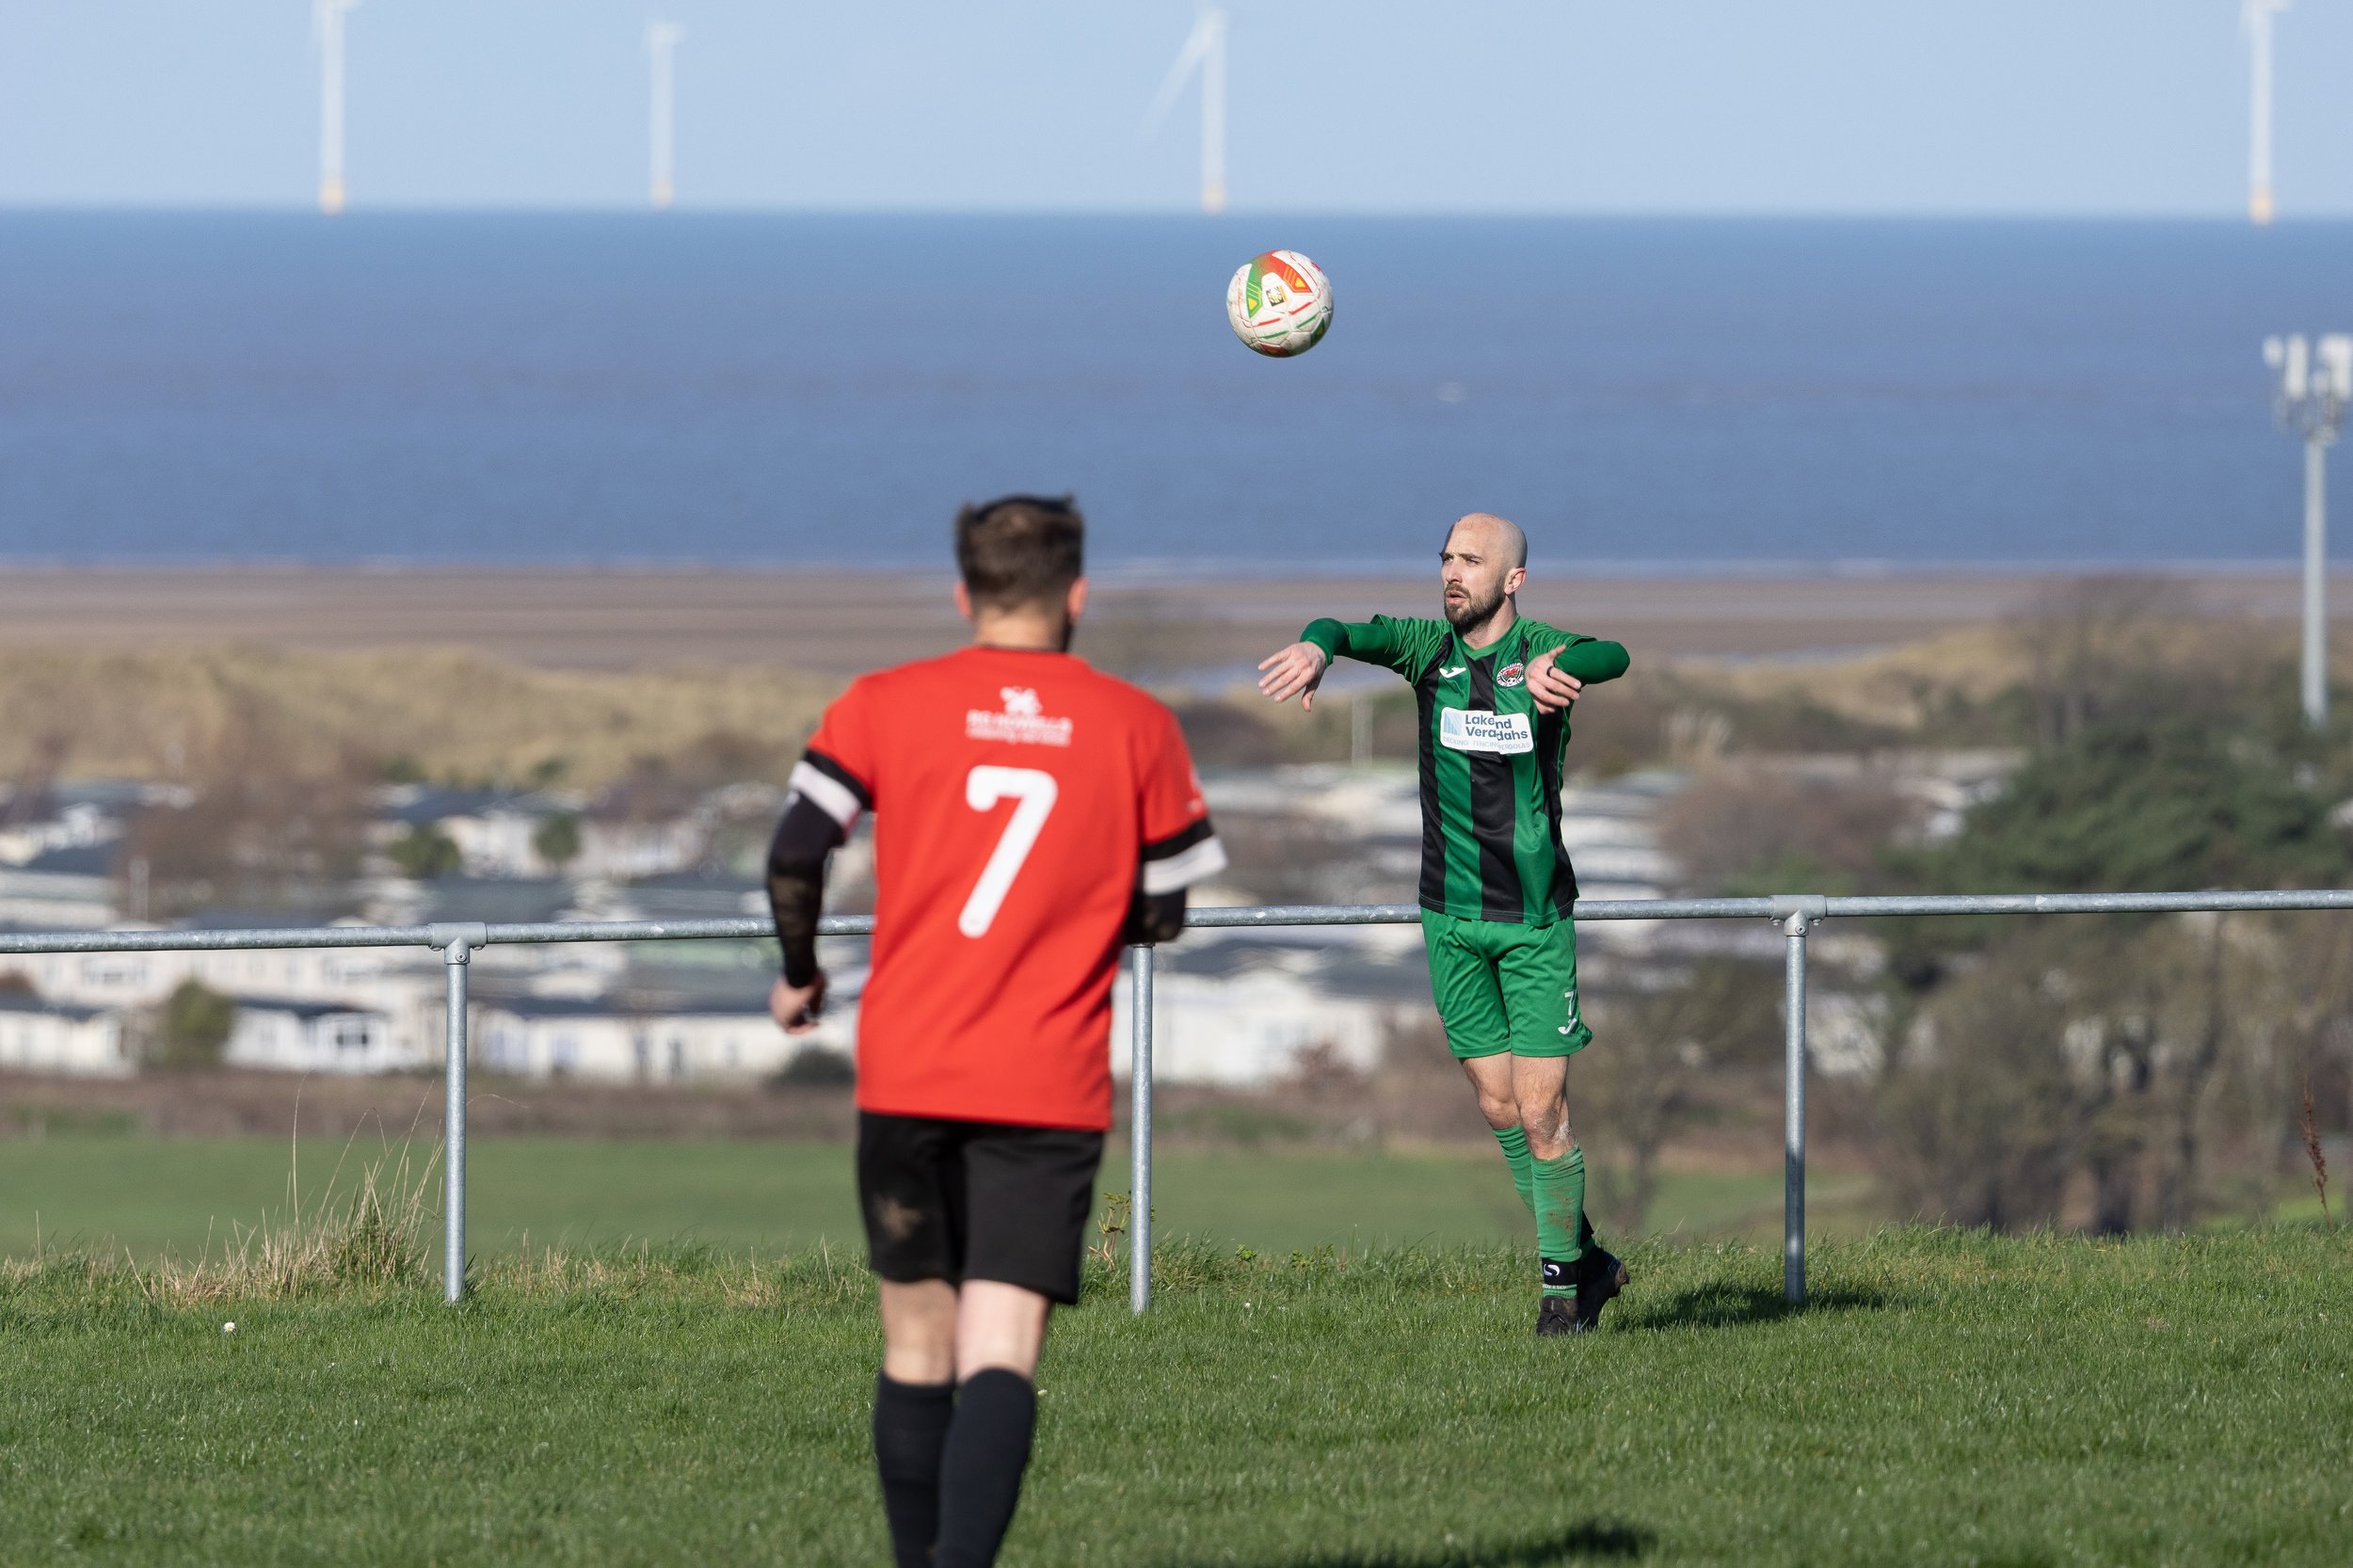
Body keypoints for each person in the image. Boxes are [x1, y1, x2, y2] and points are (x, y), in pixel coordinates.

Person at [765, 494, 1225, 1568]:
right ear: (1077, 595)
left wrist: (800, 972)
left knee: (916, 1346)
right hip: (1044, 1083)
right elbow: (1163, 912)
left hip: (908, 1067)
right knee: (1001, 1349)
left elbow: (794, 849)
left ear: (963, 594)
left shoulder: (884, 702)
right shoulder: (1135, 724)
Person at [1255, 511, 1631, 1336]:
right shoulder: (1429, 651)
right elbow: (1344, 627)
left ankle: (1562, 1296)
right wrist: (1319, 647)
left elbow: (1616, 655)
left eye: (1472, 560)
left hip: (1534, 925)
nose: (1452, 573)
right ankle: (1589, 1256)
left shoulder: (1546, 653)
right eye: (1446, 558)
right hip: (1449, 918)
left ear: (1514, 580)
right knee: (1500, 1110)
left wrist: (1559, 667)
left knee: (1542, 1113)